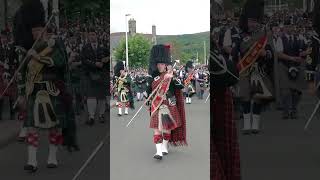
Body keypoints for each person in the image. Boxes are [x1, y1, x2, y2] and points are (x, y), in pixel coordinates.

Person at [13, 0, 70, 172]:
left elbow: (60, 62)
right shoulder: (27, 50)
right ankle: (32, 161)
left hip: (53, 89)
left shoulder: (55, 45)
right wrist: (22, 93)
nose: (36, 33)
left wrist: (37, 57)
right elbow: (23, 75)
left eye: (39, 30)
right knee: (32, 127)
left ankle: (52, 157)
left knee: (55, 127)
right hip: (34, 91)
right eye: (33, 31)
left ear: (44, 30)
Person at [237, 0, 274, 134]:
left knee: (258, 97)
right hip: (244, 69)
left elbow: (271, 52)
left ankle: (255, 125)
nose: (252, 24)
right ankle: (247, 125)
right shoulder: (241, 35)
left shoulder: (265, 34)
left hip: (259, 69)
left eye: (254, 21)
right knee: (245, 97)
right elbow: (237, 51)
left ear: (258, 21)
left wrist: (266, 53)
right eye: (250, 21)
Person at [146, 44, 187, 160]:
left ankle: (164, 146)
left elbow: (181, 86)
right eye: (158, 64)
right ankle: (158, 152)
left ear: (166, 65)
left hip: (168, 104)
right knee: (157, 129)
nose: (160, 66)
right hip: (156, 105)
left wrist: (172, 77)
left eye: (162, 64)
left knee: (167, 128)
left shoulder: (171, 76)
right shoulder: (153, 77)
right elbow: (148, 90)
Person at [81, 28, 108, 125]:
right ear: (88, 37)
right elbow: (84, 60)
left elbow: (109, 56)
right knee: (91, 96)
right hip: (90, 74)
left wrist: (107, 58)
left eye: (94, 34)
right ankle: (91, 116)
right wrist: (94, 64)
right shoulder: (85, 48)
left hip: (101, 74)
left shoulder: (103, 48)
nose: (92, 36)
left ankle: (101, 115)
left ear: (97, 36)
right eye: (90, 35)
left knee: (101, 96)